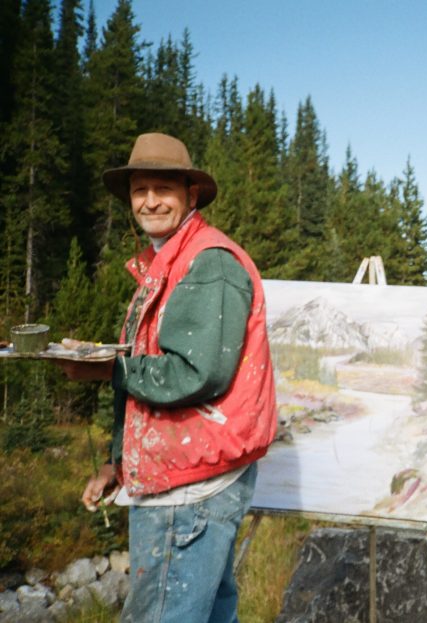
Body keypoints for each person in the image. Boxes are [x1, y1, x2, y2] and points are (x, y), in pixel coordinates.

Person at [59, 132, 277, 622]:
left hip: (189, 487)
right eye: (141, 190)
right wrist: (120, 464)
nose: (151, 201)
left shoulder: (208, 263)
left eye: (164, 189)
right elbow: (152, 388)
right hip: (184, 474)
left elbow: (198, 373)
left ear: (190, 194)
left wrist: (108, 369)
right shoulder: (172, 261)